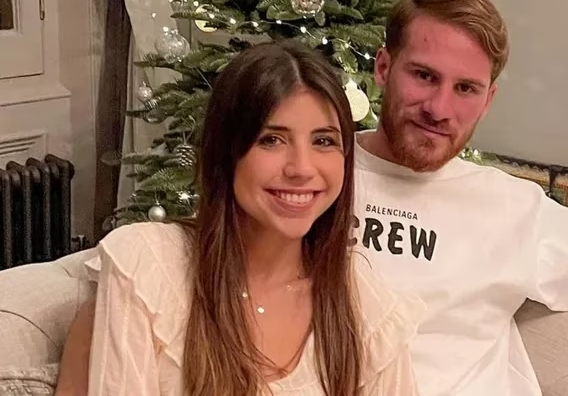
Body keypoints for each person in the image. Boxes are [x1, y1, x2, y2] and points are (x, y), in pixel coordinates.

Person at [58, 0, 568, 396]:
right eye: (423, 76)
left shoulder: (513, 208)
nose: (439, 108)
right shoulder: (309, 185)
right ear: (383, 68)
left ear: (487, 100)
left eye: (466, 89)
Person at [57, 40, 425, 396]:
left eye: (324, 141)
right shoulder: (150, 269)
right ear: (225, 153)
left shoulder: (365, 305)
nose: (301, 168)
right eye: (271, 140)